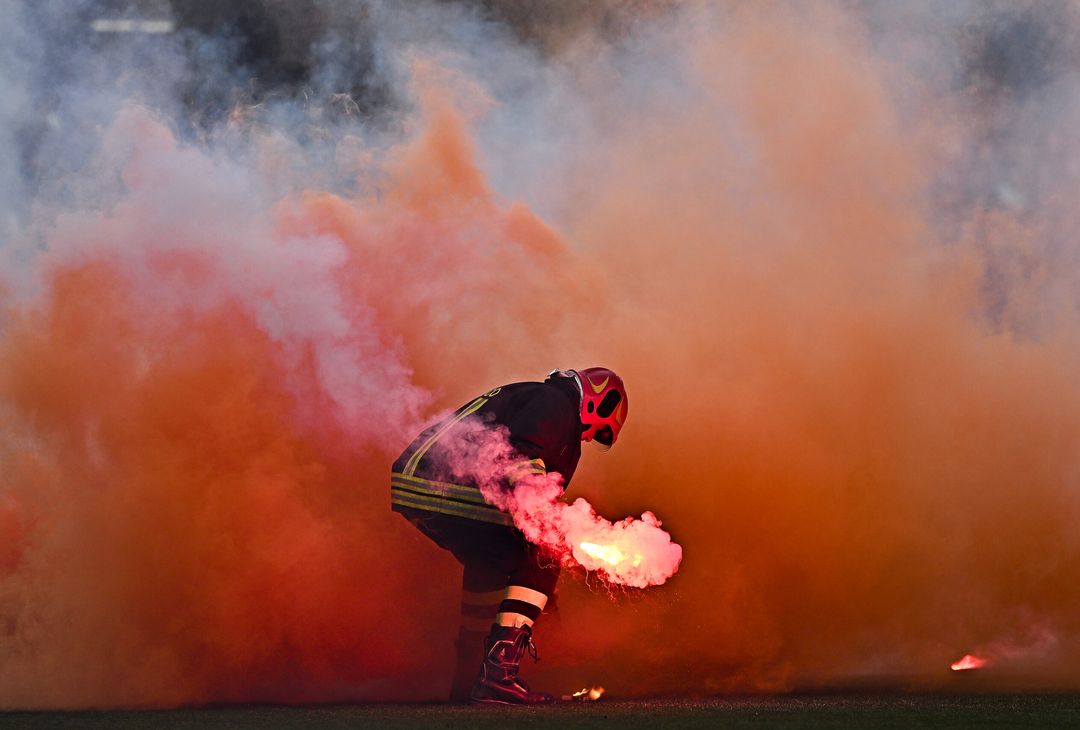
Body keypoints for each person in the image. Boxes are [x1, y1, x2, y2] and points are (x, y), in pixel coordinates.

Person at [390, 367, 628, 705]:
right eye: (600, 431)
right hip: (440, 483)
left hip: (415, 481)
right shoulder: (557, 404)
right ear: (600, 401)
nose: (591, 438)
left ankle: (468, 678)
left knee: (490, 562)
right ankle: (498, 677)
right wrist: (543, 533)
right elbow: (520, 455)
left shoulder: (538, 397)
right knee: (544, 553)